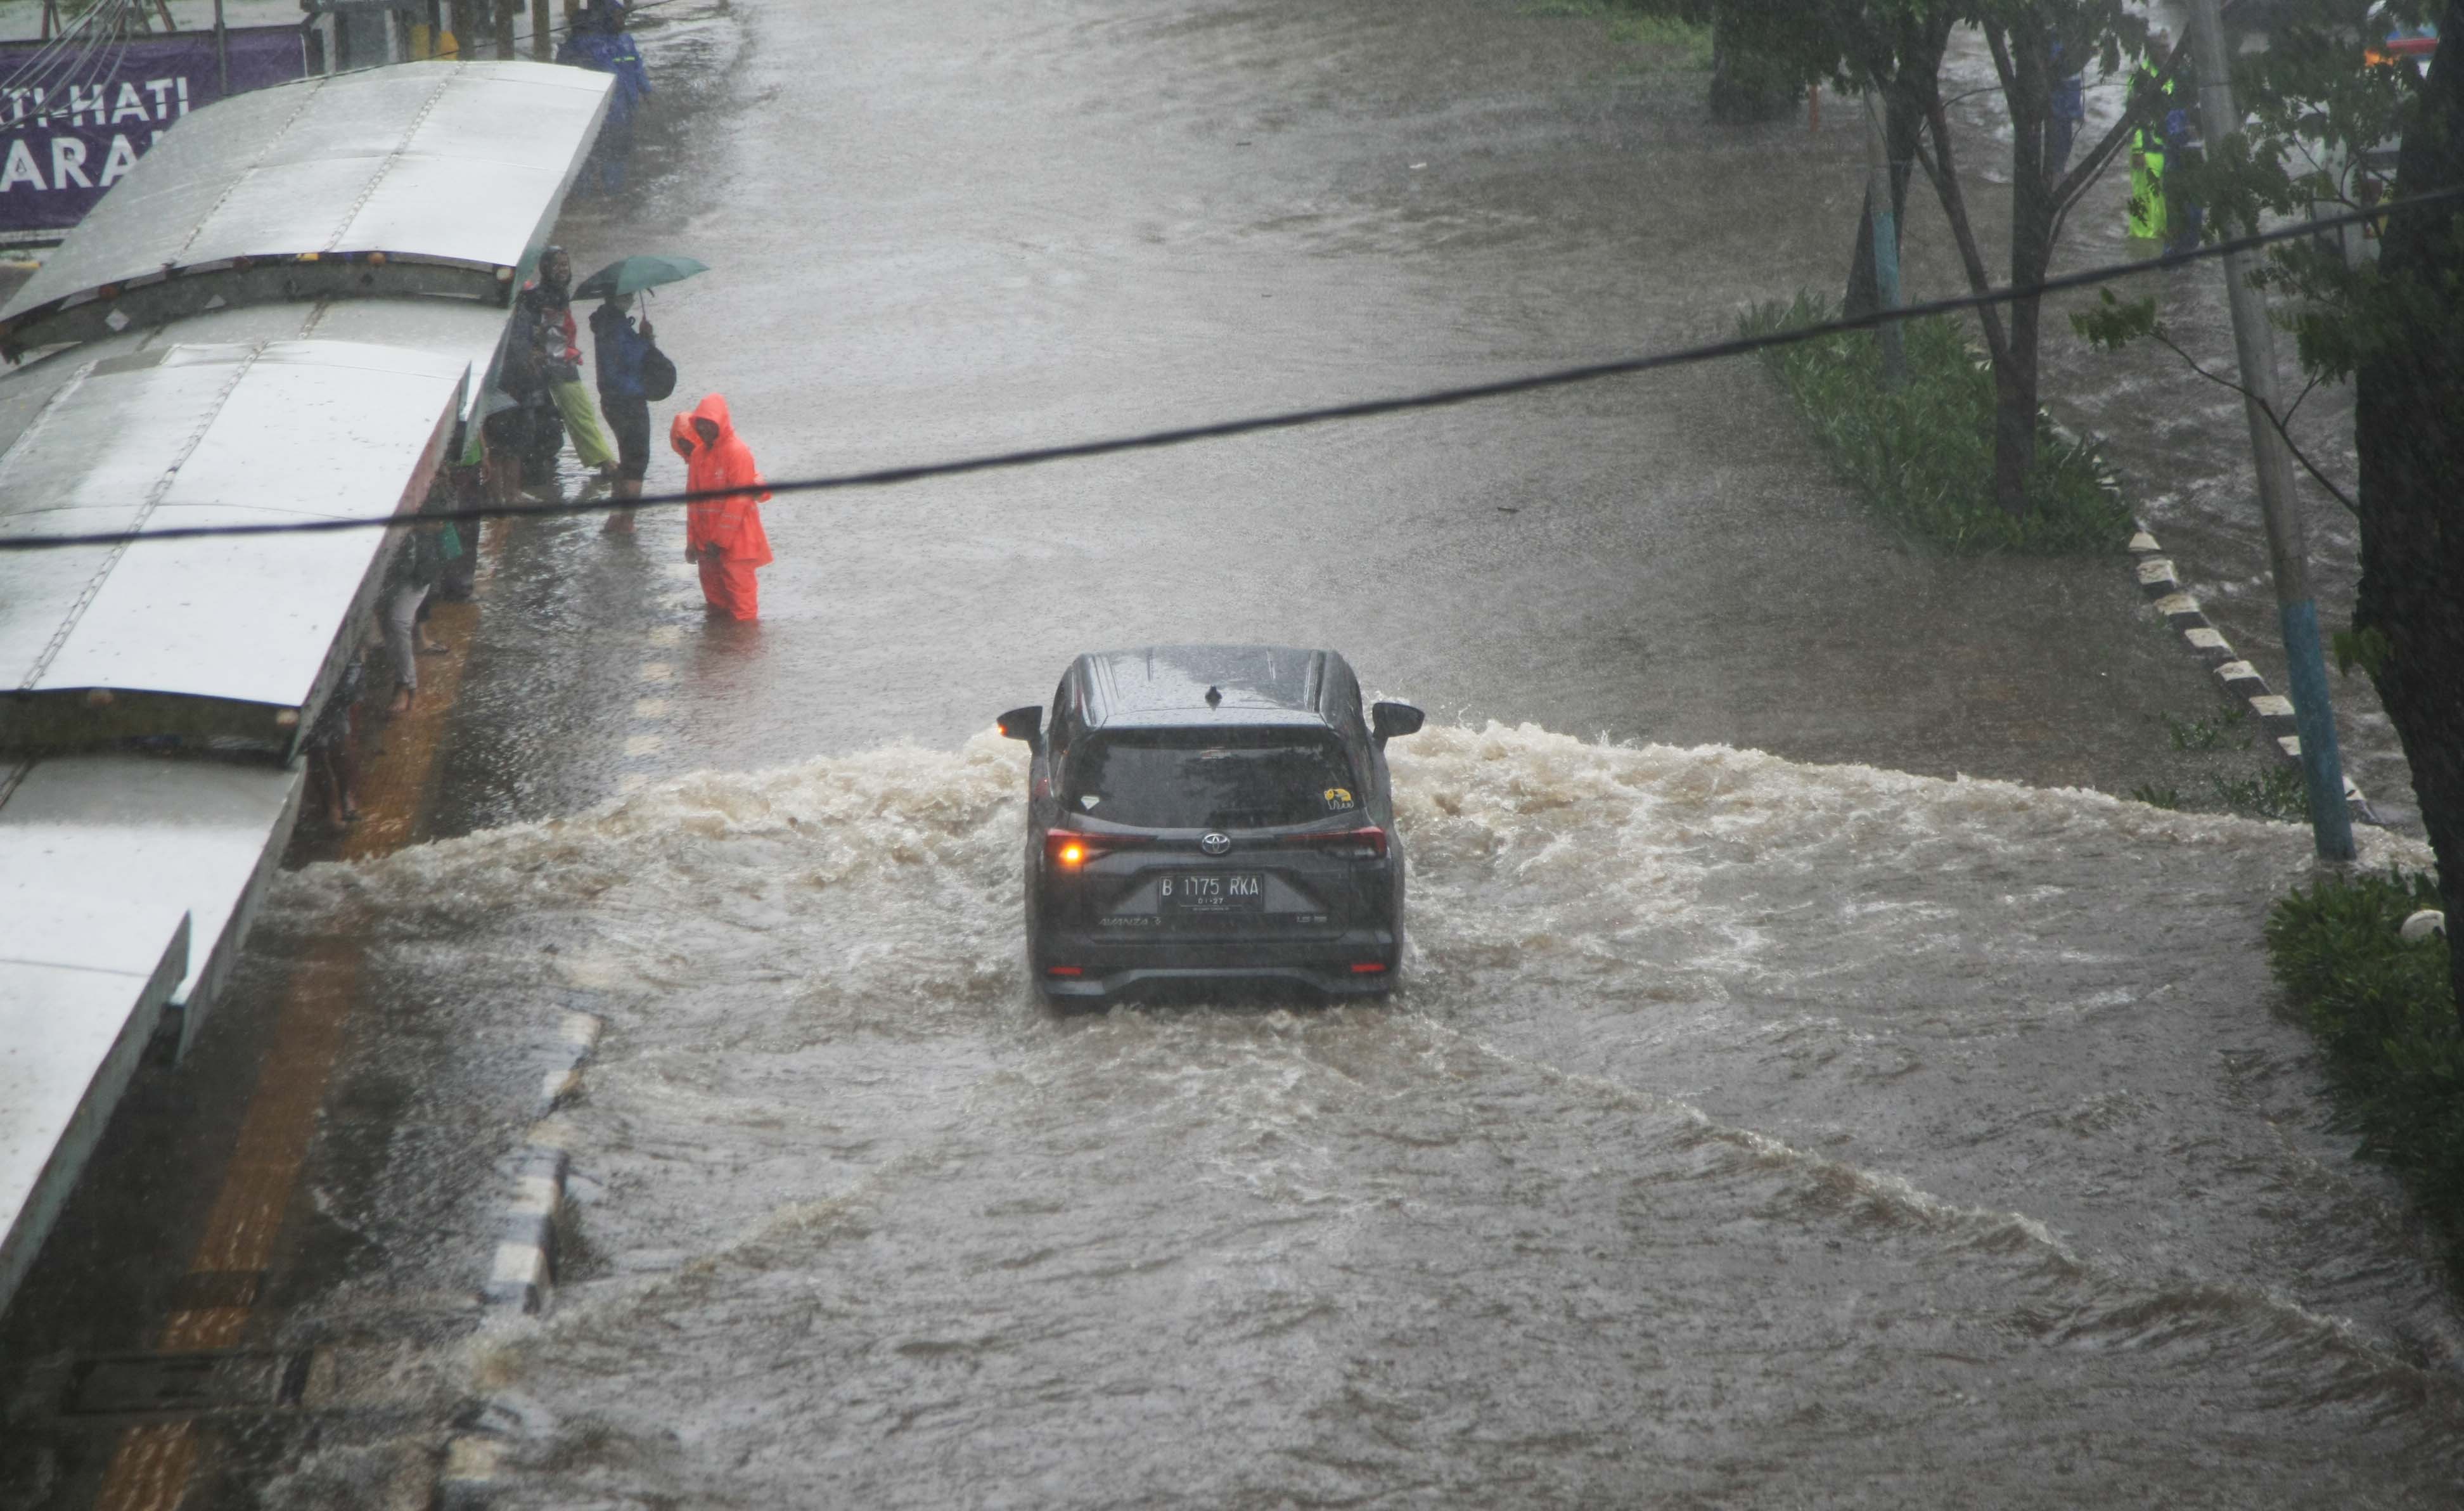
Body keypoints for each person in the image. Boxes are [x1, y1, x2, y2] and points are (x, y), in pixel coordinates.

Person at [672, 394, 773, 620]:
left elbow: (737, 502)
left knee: (743, 606)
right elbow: (693, 503)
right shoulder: (698, 455)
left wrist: (719, 541)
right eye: (700, 424)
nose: (704, 429)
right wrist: (692, 542)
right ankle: (721, 639)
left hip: (737, 544)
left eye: (709, 423)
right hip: (707, 545)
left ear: (721, 422)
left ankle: (743, 642)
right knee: (716, 603)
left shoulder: (738, 452)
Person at [525, 247, 619, 480]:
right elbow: (547, 332)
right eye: (557, 265)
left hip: (556, 361)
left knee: (573, 413)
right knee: (576, 412)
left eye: (565, 265)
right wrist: (559, 355)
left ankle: (600, 460)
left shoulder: (556, 293)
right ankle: (605, 462)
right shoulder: (544, 296)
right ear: (545, 268)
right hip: (552, 364)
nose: (562, 270)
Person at [557, 0, 653, 195]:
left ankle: (613, 193)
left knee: (618, 151)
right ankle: (585, 196)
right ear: (606, 17)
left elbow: (637, 68)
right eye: (618, 17)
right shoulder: (590, 44)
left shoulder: (625, 40)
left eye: (624, 16)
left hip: (624, 110)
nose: (623, 20)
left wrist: (647, 91)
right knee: (591, 154)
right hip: (599, 111)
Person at [589, 292, 659, 534]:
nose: (630, 298)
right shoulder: (615, 326)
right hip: (628, 401)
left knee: (627, 458)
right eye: (626, 295)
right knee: (636, 463)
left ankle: (615, 518)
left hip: (613, 401)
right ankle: (626, 522)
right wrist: (646, 339)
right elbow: (631, 359)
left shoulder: (606, 323)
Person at [2046, 39, 2085, 179]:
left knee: (2062, 145)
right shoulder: (2061, 46)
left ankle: (2056, 173)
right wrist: (2076, 112)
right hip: (2059, 112)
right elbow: (2069, 82)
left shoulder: (2066, 45)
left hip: (2061, 112)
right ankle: (2056, 173)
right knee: (2060, 145)